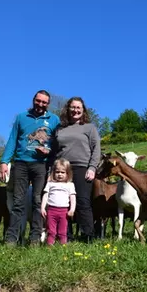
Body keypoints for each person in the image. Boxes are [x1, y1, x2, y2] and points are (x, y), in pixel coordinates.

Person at [0, 90, 60, 246]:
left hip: (41, 165)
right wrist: (4, 161)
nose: (40, 104)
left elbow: (58, 145)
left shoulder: (54, 120)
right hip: (21, 164)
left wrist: (49, 151)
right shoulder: (21, 118)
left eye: (44, 102)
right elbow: (12, 140)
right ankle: (12, 239)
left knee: (37, 202)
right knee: (18, 202)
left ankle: (34, 239)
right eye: (38, 101)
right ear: (33, 100)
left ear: (48, 104)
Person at [51, 97, 101, 242]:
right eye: (72, 107)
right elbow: (55, 151)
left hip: (82, 167)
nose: (75, 110)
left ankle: (88, 235)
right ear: (68, 109)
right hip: (63, 168)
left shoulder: (89, 128)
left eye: (78, 107)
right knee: (62, 203)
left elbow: (96, 149)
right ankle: (65, 236)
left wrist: (92, 167)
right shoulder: (60, 129)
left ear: (83, 110)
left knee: (82, 201)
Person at [40, 158, 76, 245]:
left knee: (62, 231)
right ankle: (49, 246)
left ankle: (62, 246)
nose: (60, 174)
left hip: (64, 211)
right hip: (51, 210)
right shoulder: (50, 184)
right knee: (51, 231)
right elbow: (45, 196)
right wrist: (42, 208)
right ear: (53, 173)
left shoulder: (70, 185)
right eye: (57, 172)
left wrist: (72, 209)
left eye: (63, 172)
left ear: (68, 173)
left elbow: (73, 198)